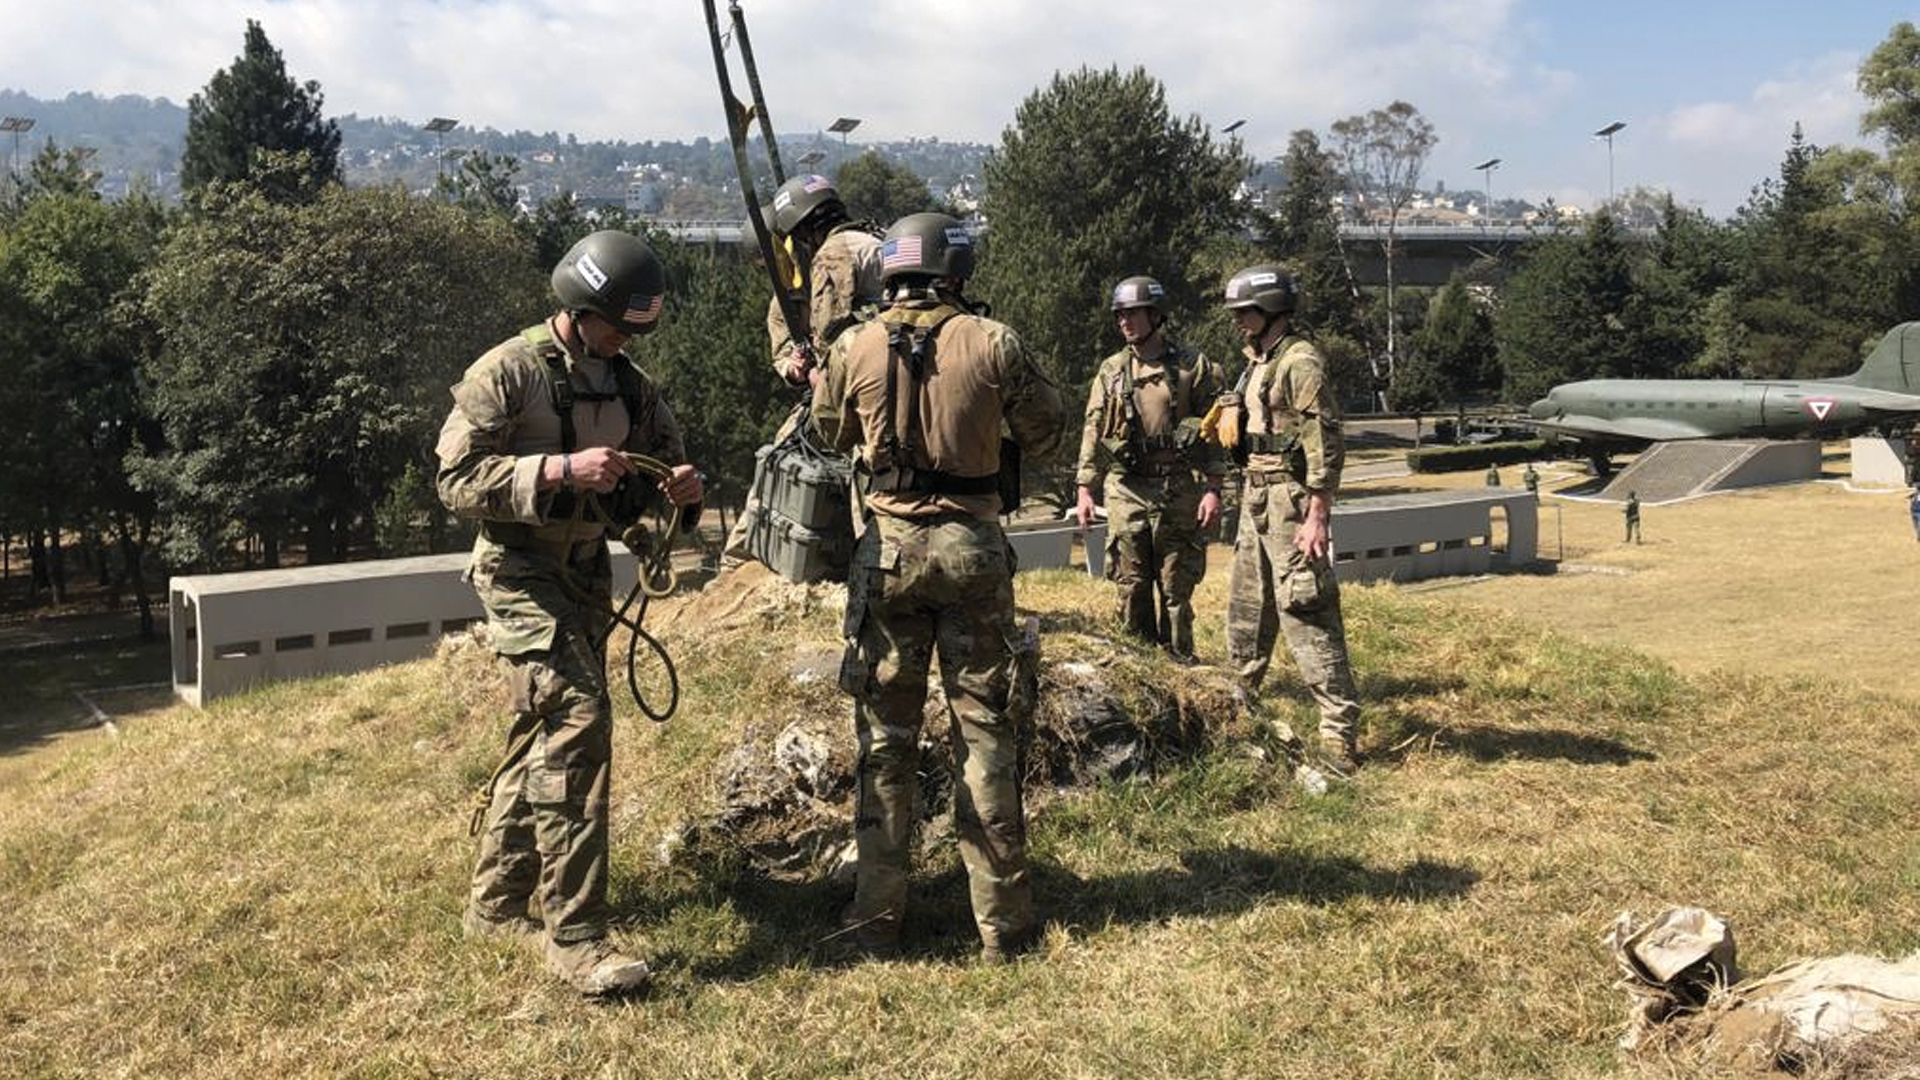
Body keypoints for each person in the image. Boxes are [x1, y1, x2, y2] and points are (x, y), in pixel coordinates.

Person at [435, 230, 705, 997]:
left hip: (584, 575)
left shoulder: (631, 387)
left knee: (542, 735)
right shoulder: (507, 372)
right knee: (579, 720)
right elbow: (455, 479)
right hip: (518, 573)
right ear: (580, 308)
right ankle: (576, 937)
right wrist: (557, 468)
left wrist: (681, 495)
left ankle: (494, 905)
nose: (625, 341)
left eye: (634, 331)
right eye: (618, 326)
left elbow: (660, 487)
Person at [816, 212, 1065, 963]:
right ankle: (1003, 926)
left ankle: (875, 922)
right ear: (957, 270)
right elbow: (1047, 429)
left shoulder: (852, 344)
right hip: (972, 554)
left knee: (884, 744)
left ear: (889, 272)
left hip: (886, 556)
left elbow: (830, 435)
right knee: (985, 735)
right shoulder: (994, 342)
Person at [1205, 264, 1364, 774]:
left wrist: (1318, 513)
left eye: (1244, 312)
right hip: (1256, 495)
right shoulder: (1256, 363)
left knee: (1306, 610)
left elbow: (1324, 439)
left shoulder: (1300, 362)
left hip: (1291, 501)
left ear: (1271, 309)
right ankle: (1237, 712)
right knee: (1247, 611)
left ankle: (1338, 736)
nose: (1236, 322)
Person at [723, 174, 883, 566]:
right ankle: (739, 565)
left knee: (865, 481)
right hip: (882, 383)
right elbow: (786, 348)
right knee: (782, 457)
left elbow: (834, 339)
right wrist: (793, 367)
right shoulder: (874, 243)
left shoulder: (834, 256)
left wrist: (820, 375)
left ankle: (870, 570)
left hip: (856, 391)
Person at [1073, 275, 1227, 659]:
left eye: (1132, 313)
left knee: (1175, 585)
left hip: (1178, 487)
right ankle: (1138, 661)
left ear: (1155, 315)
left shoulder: (1195, 366)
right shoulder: (1111, 371)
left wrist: (1213, 487)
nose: (1124, 322)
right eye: (1120, 315)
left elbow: (1215, 429)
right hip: (1127, 487)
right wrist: (1084, 488)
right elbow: (1093, 428)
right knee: (1132, 581)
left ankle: (1179, 662)